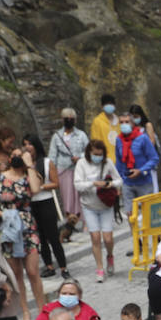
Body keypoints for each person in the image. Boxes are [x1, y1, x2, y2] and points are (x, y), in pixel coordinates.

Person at [0, 144, 46, 320]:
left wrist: (30, 166)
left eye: (20, 155)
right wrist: (2, 214)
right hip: (9, 225)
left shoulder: (30, 176)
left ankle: (43, 311)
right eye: (14, 154)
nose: (17, 157)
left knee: (33, 271)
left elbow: (35, 190)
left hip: (28, 225)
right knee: (16, 273)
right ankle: (25, 311)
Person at [22, 133, 68, 279]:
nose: (27, 147)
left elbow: (56, 183)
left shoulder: (47, 162)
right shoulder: (24, 166)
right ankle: (48, 265)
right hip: (32, 204)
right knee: (40, 238)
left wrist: (41, 187)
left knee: (53, 236)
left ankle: (63, 266)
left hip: (46, 201)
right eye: (25, 144)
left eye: (30, 144)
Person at [73, 139, 120, 283]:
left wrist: (108, 184)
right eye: (95, 154)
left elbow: (119, 180)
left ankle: (110, 256)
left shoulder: (107, 163)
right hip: (89, 206)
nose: (97, 157)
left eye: (100, 154)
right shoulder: (81, 164)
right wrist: (93, 183)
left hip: (105, 206)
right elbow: (78, 185)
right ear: (89, 152)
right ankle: (99, 268)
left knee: (108, 238)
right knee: (95, 237)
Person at [49, 107, 89, 230]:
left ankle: (84, 222)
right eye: (67, 119)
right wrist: (51, 171)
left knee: (80, 195)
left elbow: (88, 151)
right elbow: (52, 155)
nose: (69, 121)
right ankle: (69, 223)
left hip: (79, 169)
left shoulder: (81, 135)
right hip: (63, 169)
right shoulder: (57, 136)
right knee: (67, 197)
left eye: (72, 119)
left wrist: (80, 158)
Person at [115, 111, 159, 220]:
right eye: (121, 122)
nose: (124, 125)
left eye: (127, 122)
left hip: (144, 181)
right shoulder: (119, 140)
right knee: (130, 213)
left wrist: (141, 170)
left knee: (148, 213)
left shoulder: (142, 138)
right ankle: (135, 236)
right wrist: (120, 180)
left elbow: (154, 158)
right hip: (127, 182)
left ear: (132, 123)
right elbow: (119, 161)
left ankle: (151, 235)